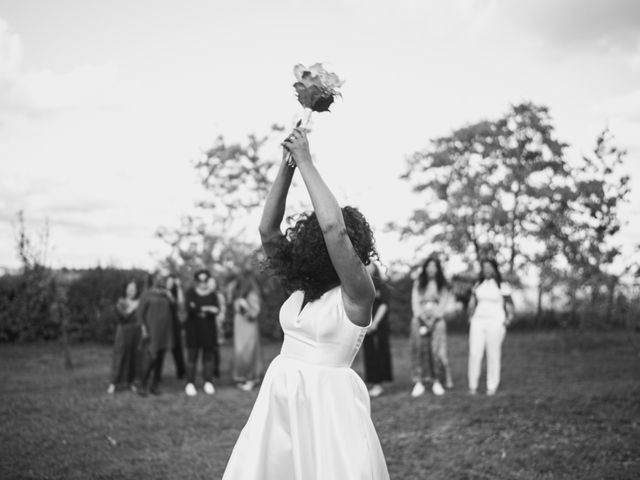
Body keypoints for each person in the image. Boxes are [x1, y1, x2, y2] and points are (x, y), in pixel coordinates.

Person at [222, 127, 390, 479]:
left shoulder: (358, 294)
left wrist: (307, 161)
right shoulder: (299, 287)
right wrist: (287, 167)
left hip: (329, 404)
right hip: (280, 394)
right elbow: (268, 231)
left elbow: (335, 230)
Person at [467, 258, 514, 396]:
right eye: (484, 267)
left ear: (494, 268)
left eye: (489, 267)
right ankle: (472, 386)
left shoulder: (502, 285)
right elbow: (472, 303)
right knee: (475, 353)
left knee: (493, 353)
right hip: (478, 321)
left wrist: (508, 318)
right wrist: (470, 316)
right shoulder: (478, 285)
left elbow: (509, 304)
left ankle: (492, 385)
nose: (487, 269)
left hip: (496, 321)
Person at [410, 255, 454, 397]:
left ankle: (437, 380)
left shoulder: (442, 284)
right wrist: (422, 318)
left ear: (438, 268)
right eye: (428, 265)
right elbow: (415, 302)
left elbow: (443, 303)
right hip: (419, 319)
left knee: (437, 349)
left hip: (437, 320)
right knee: (418, 348)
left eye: (434, 266)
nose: (431, 269)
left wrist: (433, 319)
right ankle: (419, 381)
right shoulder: (418, 283)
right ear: (425, 268)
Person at [184, 269, 222, 396]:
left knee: (208, 357)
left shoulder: (213, 295)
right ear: (196, 281)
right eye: (199, 280)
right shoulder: (190, 293)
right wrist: (207, 308)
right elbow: (189, 308)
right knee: (192, 357)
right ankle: (190, 383)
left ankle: (208, 382)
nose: (202, 283)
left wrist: (198, 308)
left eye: (205, 280)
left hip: (208, 330)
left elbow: (217, 310)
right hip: (193, 330)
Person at [136, 271, 174, 396]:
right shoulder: (147, 294)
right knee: (151, 357)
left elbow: (175, 306)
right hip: (152, 330)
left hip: (164, 331)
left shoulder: (165, 295)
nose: (161, 280)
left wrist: (169, 294)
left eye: (162, 278)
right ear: (153, 280)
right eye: (159, 278)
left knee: (161, 358)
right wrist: (143, 330)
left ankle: (155, 385)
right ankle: (142, 385)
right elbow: (140, 314)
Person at [362, 262, 393, 397]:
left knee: (379, 352)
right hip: (365, 325)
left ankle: (379, 383)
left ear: (375, 268)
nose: (367, 267)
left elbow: (384, 305)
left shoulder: (382, 286)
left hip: (379, 325)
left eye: (369, 264)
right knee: (369, 353)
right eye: (364, 264)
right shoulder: (360, 286)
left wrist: (374, 323)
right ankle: (373, 381)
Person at [230, 270, 262, 391]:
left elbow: (254, 313)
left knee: (249, 351)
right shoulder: (239, 295)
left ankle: (251, 378)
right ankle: (241, 376)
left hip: (248, 326)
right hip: (239, 326)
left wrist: (245, 307)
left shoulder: (252, 295)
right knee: (240, 351)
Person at [107, 280, 140, 394]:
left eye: (134, 289)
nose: (132, 291)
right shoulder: (121, 302)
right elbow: (124, 316)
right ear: (126, 290)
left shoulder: (139, 302)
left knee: (133, 357)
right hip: (123, 331)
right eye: (130, 289)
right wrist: (134, 307)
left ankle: (131, 382)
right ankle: (113, 383)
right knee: (119, 354)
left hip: (135, 332)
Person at [166, 275, 186, 380]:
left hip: (174, 324)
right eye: (168, 281)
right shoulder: (162, 293)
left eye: (171, 282)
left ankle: (181, 372)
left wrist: (178, 287)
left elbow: (181, 303)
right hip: (164, 323)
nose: (169, 284)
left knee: (177, 348)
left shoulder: (175, 293)